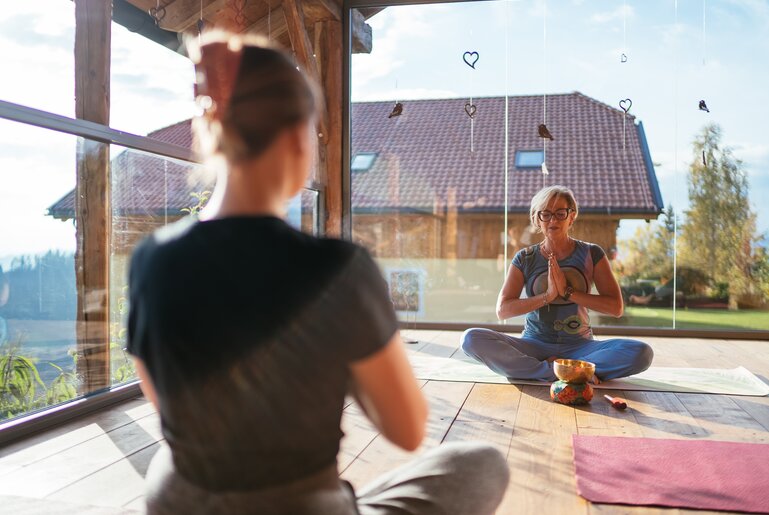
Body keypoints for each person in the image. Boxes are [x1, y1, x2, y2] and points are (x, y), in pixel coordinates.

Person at [126, 32, 508, 515]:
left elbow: (165, 407)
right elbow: (408, 431)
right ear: (294, 138)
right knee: (482, 463)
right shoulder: (337, 271)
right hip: (297, 506)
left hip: (176, 500)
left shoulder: (150, 257)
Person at [461, 185, 653, 383]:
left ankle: (561, 367)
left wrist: (568, 292)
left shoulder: (591, 253)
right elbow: (503, 310)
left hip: (580, 346)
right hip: (534, 345)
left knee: (641, 353)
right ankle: (563, 372)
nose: (553, 220)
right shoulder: (525, 258)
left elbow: (616, 308)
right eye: (546, 214)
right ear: (537, 219)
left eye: (560, 213)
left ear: (572, 216)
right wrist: (548, 296)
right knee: (471, 338)